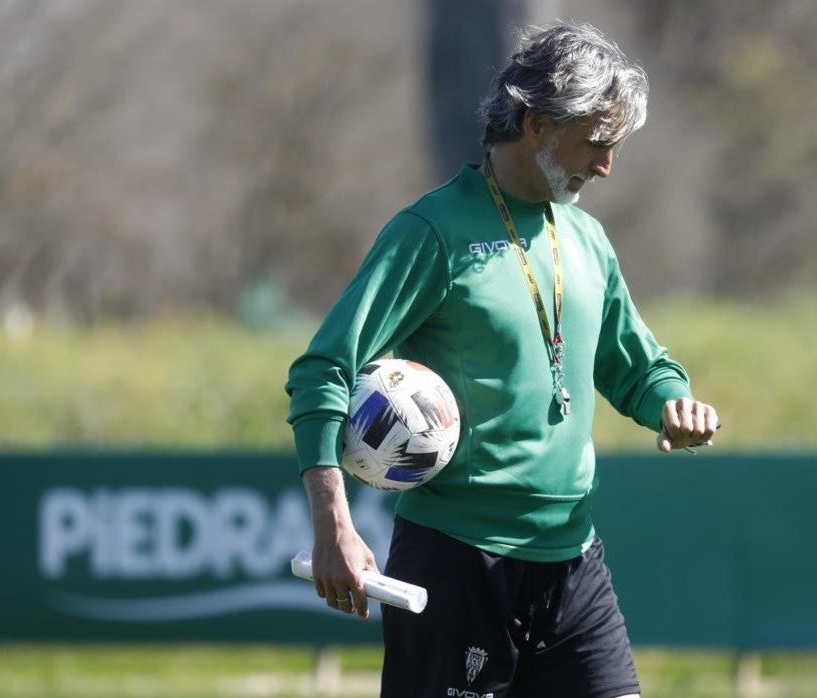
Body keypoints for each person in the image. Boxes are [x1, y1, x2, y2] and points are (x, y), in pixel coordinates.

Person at [285, 21, 719, 698]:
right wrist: (332, 524)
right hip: (457, 563)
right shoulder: (432, 232)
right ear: (538, 123)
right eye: (597, 143)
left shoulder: (587, 239)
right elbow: (324, 369)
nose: (606, 166)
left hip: (574, 562)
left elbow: (636, 365)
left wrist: (671, 401)